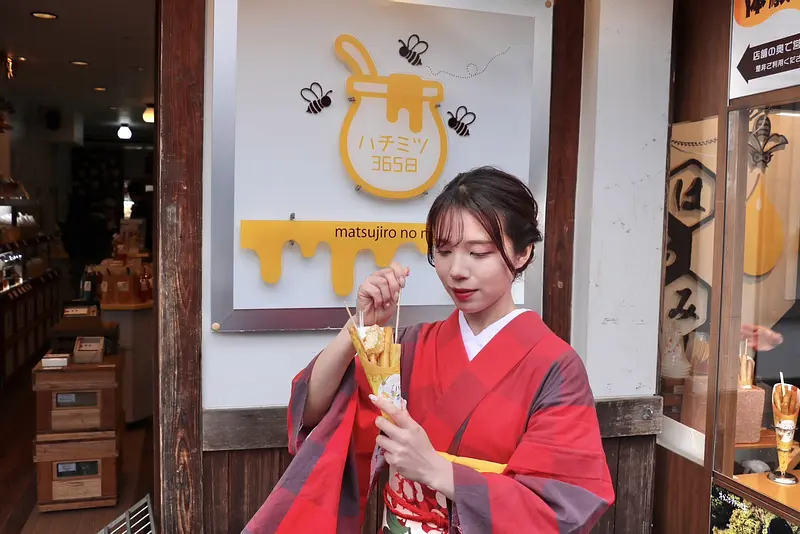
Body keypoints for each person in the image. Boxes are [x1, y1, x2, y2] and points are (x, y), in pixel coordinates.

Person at [244, 167, 615, 533]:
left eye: (478, 252)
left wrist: (437, 471)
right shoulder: (410, 347)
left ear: (522, 253)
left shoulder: (555, 366)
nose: (457, 270)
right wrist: (358, 327)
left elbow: (562, 504)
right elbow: (316, 412)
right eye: (445, 250)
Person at [128, 181, 153, 251]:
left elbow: (135, 225)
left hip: (144, 242)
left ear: (131, 194)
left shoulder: (140, 207)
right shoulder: (150, 204)